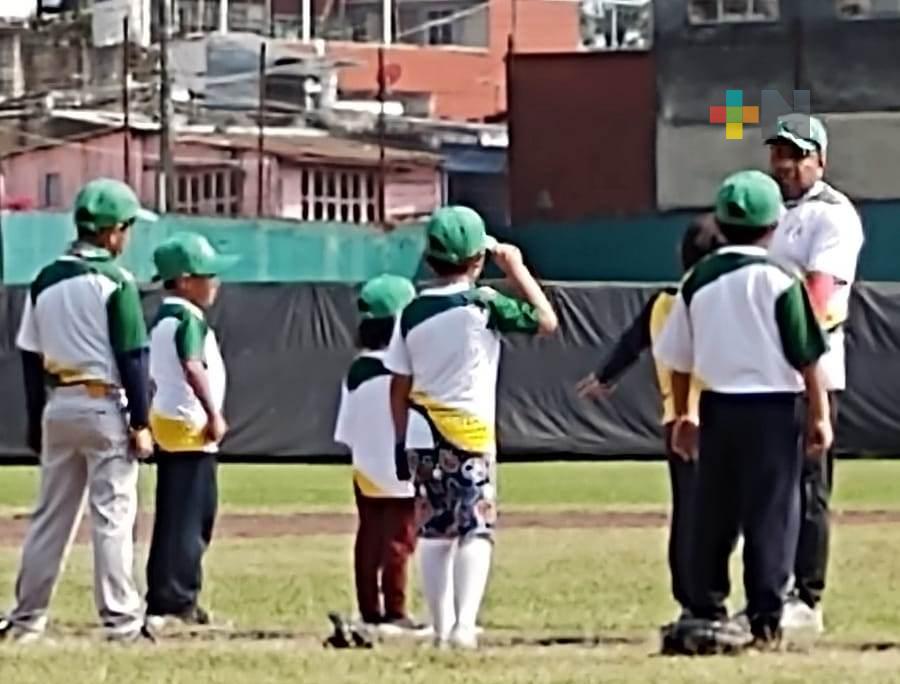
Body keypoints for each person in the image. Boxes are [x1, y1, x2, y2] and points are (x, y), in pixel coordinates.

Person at [654, 170, 833, 648]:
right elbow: (807, 355)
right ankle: (765, 617)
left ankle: (705, 606)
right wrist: (819, 414)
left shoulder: (697, 281)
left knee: (713, 510)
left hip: (717, 407)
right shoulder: (782, 279)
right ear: (774, 224)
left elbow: (676, 357)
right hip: (775, 410)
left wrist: (683, 414)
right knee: (771, 515)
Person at [384, 206, 558, 649]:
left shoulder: (411, 311)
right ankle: (465, 626)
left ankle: (441, 628)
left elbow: (398, 384)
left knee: (434, 530)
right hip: (469, 435)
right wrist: (517, 268)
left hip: (422, 434)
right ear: (478, 259)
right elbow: (546, 321)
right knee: (475, 528)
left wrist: (400, 438)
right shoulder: (483, 304)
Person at [1, 178, 156, 643]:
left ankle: (27, 619)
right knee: (112, 515)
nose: (127, 237)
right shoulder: (116, 281)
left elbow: (30, 358)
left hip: (58, 405)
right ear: (111, 233)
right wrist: (142, 422)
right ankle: (123, 623)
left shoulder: (44, 279)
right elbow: (132, 355)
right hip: (102, 403)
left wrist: (34, 421)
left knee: (51, 516)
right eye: (126, 227)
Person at [575, 214, 723, 617]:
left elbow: (630, 344)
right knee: (724, 515)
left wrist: (603, 377)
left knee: (688, 512)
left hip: (675, 420)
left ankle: (689, 596)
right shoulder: (721, 301)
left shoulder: (662, 303)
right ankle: (712, 596)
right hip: (721, 417)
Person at [766, 114, 863, 634]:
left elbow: (820, 299)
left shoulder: (832, 215)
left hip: (812, 369)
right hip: (763, 370)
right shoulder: (768, 210)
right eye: (779, 152)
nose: (786, 163)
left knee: (807, 487)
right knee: (770, 487)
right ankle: (771, 588)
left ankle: (806, 597)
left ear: (820, 160)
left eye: (797, 154)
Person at [143, 233, 237, 632]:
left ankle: (165, 593)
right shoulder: (187, 319)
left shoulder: (164, 316)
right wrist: (213, 412)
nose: (214, 283)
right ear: (183, 280)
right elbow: (192, 364)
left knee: (173, 513)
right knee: (192, 517)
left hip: (170, 422)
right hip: (190, 428)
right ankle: (178, 599)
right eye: (207, 274)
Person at [334, 274, 430, 635]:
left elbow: (346, 429)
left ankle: (369, 608)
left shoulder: (357, 370)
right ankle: (395, 610)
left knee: (369, 537)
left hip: (365, 469)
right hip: (403, 466)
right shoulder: (407, 370)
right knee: (400, 540)